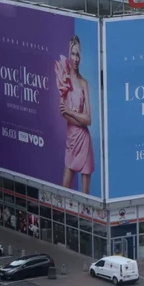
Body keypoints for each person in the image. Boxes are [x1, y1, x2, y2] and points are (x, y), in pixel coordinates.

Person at [55, 35, 94, 194]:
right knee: (65, 191)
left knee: (86, 196)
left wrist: (72, 113)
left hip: (84, 141)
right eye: (73, 53)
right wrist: (79, 116)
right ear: (69, 54)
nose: (76, 58)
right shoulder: (64, 80)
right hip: (71, 141)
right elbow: (63, 113)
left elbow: (89, 119)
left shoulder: (84, 83)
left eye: (78, 54)